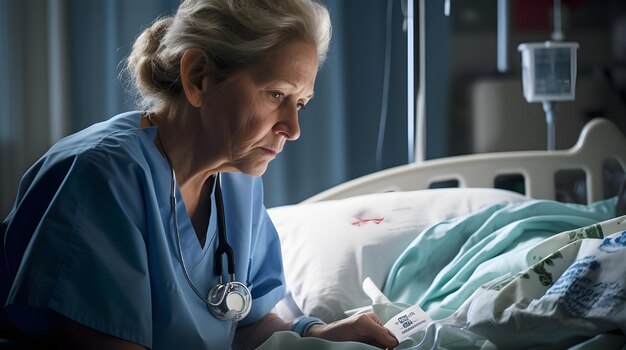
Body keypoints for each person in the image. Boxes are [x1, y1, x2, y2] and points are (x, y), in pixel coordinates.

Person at [0, 0, 399, 349]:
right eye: (277, 95)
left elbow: (248, 323)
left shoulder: (238, 180)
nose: (293, 129)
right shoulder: (102, 177)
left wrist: (318, 337)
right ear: (198, 77)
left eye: (302, 103)